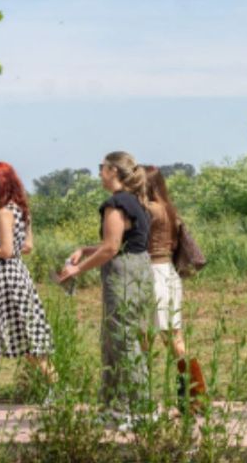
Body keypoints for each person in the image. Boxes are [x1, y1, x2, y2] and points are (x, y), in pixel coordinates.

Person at [59, 151, 155, 430]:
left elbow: (112, 248)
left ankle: (139, 410)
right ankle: (115, 408)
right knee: (115, 340)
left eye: (102, 167)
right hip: (138, 271)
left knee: (122, 342)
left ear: (113, 171)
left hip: (124, 274)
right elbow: (123, 242)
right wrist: (85, 250)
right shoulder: (136, 202)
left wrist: (78, 269)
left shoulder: (116, 204)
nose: (99, 172)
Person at [0, 161, 54, 407]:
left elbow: (5, 251)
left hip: (2, 278)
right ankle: (55, 388)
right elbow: (27, 247)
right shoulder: (22, 210)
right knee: (27, 336)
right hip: (18, 276)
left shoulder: (4, 213)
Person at [143, 166, 206, 411]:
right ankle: (195, 396)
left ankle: (143, 396)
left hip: (152, 274)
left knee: (146, 339)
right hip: (168, 273)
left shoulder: (148, 210)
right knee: (175, 338)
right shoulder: (168, 209)